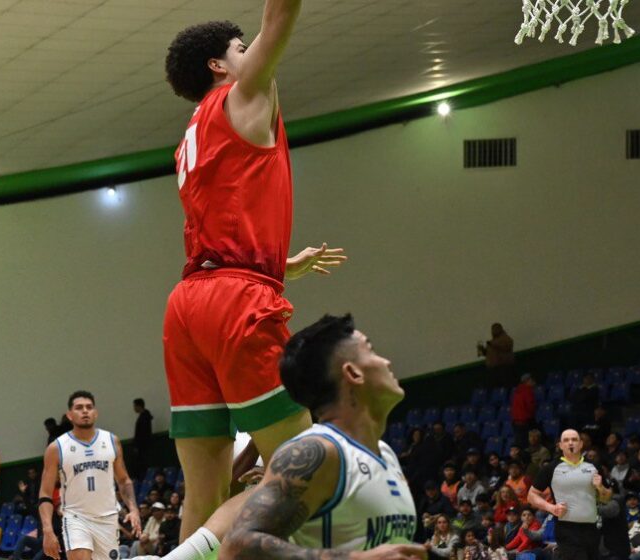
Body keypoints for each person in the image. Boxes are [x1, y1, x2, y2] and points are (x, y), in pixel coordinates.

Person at [162, 2, 349, 538]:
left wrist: (278, 264)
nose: (253, 54)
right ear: (219, 67)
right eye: (241, 49)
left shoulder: (191, 136)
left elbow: (221, 225)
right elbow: (280, 17)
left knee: (202, 495)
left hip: (190, 303)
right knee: (306, 473)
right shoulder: (244, 95)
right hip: (235, 300)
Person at [144, 315, 423, 560]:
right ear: (352, 373)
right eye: (371, 351)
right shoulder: (318, 450)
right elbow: (237, 547)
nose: (385, 361)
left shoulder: (385, 454)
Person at [39, 391, 141, 560]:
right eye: (79, 408)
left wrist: (134, 509)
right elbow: (45, 493)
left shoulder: (111, 441)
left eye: (89, 407)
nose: (85, 411)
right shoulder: (56, 448)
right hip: (76, 517)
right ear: (69, 415)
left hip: (107, 518)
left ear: (96, 413)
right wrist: (47, 530)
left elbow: (123, 480)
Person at [528, 429, 611, 560]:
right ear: (560, 445)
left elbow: (606, 498)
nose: (570, 443)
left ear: (581, 444)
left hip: (592, 529)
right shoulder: (551, 468)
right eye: (566, 440)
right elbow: (531, 495)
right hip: (567, 529)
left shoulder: (594, 466)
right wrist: (551, 508)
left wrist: (600, 487)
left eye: (574, 439)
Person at [511, 374, 536, 447]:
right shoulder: (528, 391)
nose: (533, 382)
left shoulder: (517, 391)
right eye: (532, 380)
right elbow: (530, 406)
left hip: (516, 423)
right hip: (525, 422)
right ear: (527, 381)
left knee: (520, 443)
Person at [133, 399, 153, 478]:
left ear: (138, 406)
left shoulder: (144, 417)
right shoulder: (144, 416)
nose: (134, 408)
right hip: (143, 445)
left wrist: (137, 445)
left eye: (134, 406)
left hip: (143, 445)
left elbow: (142, 433)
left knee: (143, 464)